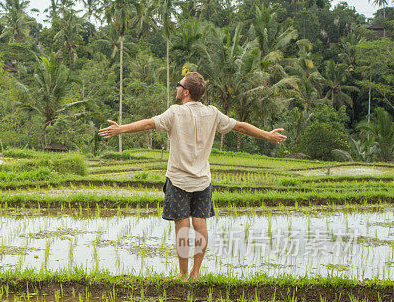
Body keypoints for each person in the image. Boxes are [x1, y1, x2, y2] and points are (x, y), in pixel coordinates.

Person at [98, 72, 287, 280]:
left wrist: (121, 129)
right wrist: (267, 135)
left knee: (182, 228)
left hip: (178, 181)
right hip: (203, 181)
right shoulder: (213, 114)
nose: (176, 88)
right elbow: (240, 127)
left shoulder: (175, 113)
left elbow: (149, 124)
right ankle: (196, 274)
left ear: (186, 92)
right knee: (200, 226)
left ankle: (183, 275)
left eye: (179, 85)